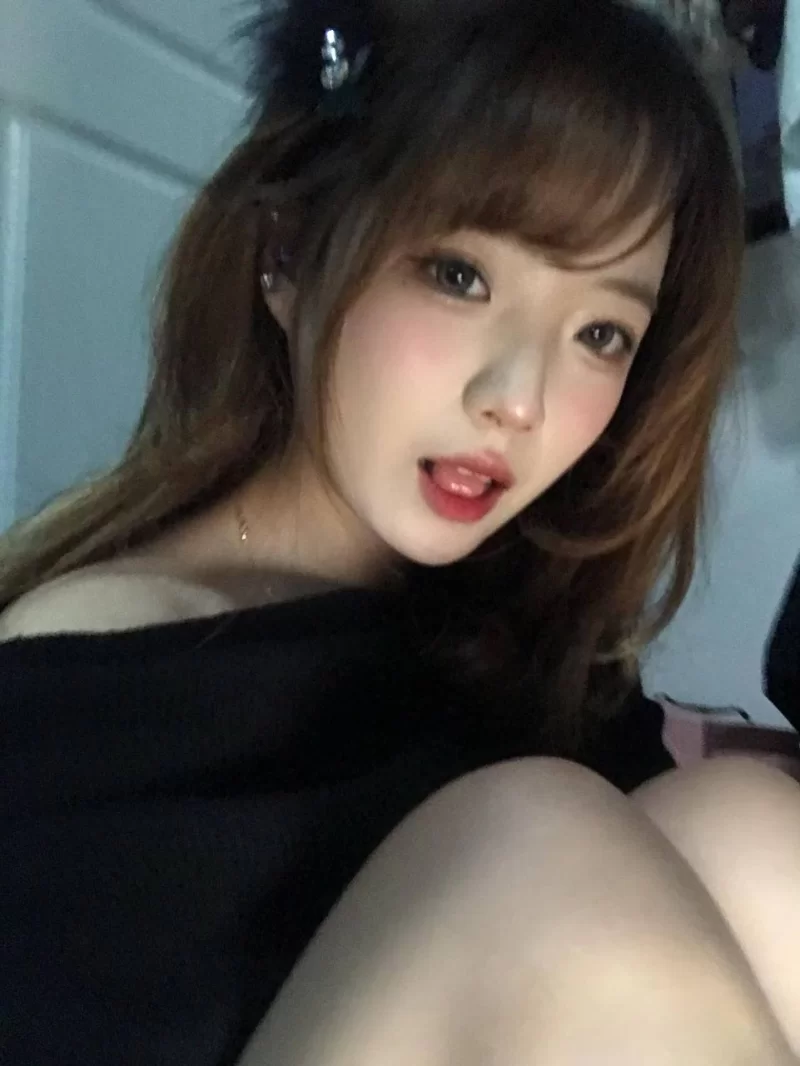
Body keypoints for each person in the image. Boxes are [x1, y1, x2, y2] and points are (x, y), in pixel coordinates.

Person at [1, 0, 799, 1062]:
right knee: (534, 840)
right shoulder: (95, 676)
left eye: (601, 333)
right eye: (459, 276)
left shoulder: (512, 638)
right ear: (288, 255)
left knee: (744, 826)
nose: (518, 399)